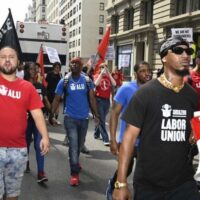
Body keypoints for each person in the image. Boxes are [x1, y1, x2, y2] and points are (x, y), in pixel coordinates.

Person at [112, 36, 200, 200]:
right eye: (178, 50)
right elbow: (129, 139)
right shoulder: (145, 94)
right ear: (164, 57)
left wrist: (193, 136)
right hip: (149, 185)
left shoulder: (192, 96)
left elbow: (195, 131)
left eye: (189, 51)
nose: (186, 55)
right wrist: (121, 183)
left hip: (184, 183)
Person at [0, 47, 50, 199]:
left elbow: (37, 114)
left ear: (18, 62)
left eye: (11, 57)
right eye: (3, 57)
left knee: (12, 195)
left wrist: (45, 137)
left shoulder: (28, 88)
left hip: (18, 151)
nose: (7, 60)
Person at [49, 57, 99, 186]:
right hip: (70, 118)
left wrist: (96, 115)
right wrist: (51, 115)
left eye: (77, 63)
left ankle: (75, 161)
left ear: (81, 65)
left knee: (80, 144)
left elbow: (92, 99)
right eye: (72, 63)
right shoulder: (64, 81)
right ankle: (74, 173)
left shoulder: (87, 80)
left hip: (84, 119)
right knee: (73, 144)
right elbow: (56, 98)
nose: (74, 65)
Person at [106, 61, 152, 200]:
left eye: (148, 70)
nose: (147, 73)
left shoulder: (153, 90)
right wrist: (113, 139)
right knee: (126, 170)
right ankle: (113, 186)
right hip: (128, 141)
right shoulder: (126, 89)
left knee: (144, 175)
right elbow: (114, 113)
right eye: (143, 70)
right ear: (136, 73)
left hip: (147, 142)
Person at [24, 62, 51, 183]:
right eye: (31, 69)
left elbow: (45, 101)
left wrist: (51, 112)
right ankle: (25, 161)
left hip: (37, 121)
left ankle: (41, 172)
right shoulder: (21, 85)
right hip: (25, 121)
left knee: (39, 144)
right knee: (25, 145)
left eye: (35, 69)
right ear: (26, 71)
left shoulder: (40, 86)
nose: (34, 71)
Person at [93, 63, 116, 146]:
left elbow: (114, 84)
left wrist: (109, 74)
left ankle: (96, 133)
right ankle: (106, 139)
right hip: (99, 100)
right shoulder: (96, 75)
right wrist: (101, 75)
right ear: (99, 68)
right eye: (102, 67)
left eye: (106, 67)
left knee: (101, 118)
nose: (104, 68)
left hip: (106, 101)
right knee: (102, 119)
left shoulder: (109, 77)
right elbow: (96, 84)